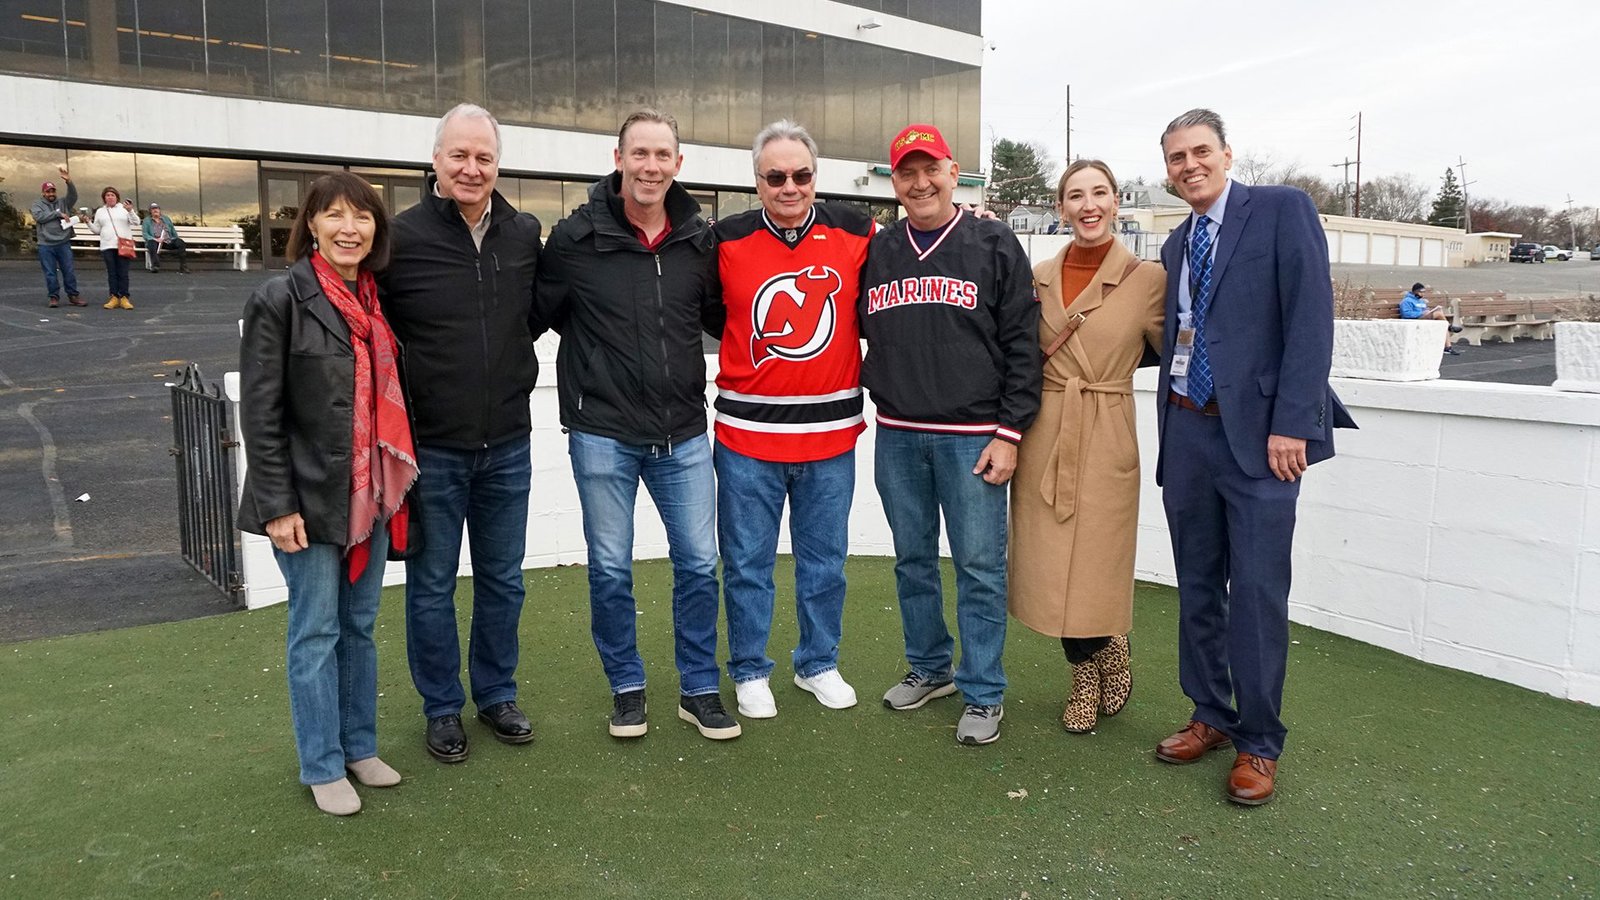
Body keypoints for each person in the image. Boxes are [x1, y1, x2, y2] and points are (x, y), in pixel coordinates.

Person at [1152, 109, 1354, 806]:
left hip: (1264, 441)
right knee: (1197, 585)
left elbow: (1310, 320)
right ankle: (1210, 713)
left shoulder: (1281, 210)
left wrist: (1293, 422)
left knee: (1259, 592)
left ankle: (1259, 742)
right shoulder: (1176, 243)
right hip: (1187, 432)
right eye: (1176, 157)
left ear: (1227, 153)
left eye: (1199, 151)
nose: (1190, 165)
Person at [533, 108, 737, 741]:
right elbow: (539, 315)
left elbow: (721, 317)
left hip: (684, 432)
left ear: (678, 163)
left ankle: (699, 688)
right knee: (611, 568)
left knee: (699, 564)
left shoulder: (698, 240)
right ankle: (627, 687)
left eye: (662, 155)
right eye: (639, 154)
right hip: (602, 433)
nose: (651, 166)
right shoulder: (574, 239)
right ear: (618, 159)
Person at [237, 172, 417, 816]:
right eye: (334, 215)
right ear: (310, 224)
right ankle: (321, 763)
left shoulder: (375, 302)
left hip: (367, 498)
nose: (349, 228)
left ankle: (359, 747)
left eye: (362, 217)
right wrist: (277, 504)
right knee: (316, 631)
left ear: (376, 230)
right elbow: (261, 413)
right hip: (307, 500)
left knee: (358, 627)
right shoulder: (280, 298)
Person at [860, 123, 1041, 746]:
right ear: (893, 182)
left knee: (979, 568)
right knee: (913, 561)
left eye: (930, 168)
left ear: (953, 171)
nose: (920, 182)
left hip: (974, 436)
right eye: (906, 172)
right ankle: (930, 667)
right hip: (898, 433)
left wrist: (1010, 432)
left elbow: (1023, 343)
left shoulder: (992, 240)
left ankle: (983, 691)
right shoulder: (878, 249)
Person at [377, 103, 543, 764]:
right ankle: (441, 707)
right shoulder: (400, 238)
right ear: (436, 161)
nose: (471, 169)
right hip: (433, 449)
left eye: (483, 157)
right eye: (459, 156)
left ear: (497, 164)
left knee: (503, 580)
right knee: (432, 586)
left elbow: (529, 319)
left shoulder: (523, 233)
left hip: (508, 443)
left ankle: (496, 694)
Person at [709, 120, 874, 719]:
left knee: (825, 563)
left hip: (830, 439)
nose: (789, 187)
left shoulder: (856, 230)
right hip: (746, 439)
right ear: (757, 181)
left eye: (801, 175)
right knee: (747, 564)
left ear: (815, 176)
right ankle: (751, 669)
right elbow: (709, 312)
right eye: (775, 176)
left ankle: (818, 662)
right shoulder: (724, 238)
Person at [1008, 159, 1165, 735]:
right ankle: (1084, 669)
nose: (1088, 205)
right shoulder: (1039, 276)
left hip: (1107, 425)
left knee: (1097, 561)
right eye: (1076, 195)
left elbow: (1176, 352)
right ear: (1061, 208)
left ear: (1117, 202)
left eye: (1100, 193)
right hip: (1046, 428)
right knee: (1049, 565)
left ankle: (1110, 649)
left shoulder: (1148, 279)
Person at [31, 166, 84, 308]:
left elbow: (73, 196)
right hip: (45, 245)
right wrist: (58, 214)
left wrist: (69, 182)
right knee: (50, 273)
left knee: (69, 271)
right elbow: (39, 217)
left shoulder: (63, 202)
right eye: (48, 191)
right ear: (43, 193)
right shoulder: (37, 204)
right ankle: (53, 297)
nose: (51, 193)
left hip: (63, 243)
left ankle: (73, 296)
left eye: (53, 191)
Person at [88, 186, 137, 310]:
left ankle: (124, 297)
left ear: (117, 197)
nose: (110, 197)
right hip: (107, 245)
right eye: (107, 195)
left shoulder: (124, 209)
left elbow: (136, 222)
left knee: (123, 272)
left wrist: (130, 211)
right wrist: (88, 222)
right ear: (104, 198)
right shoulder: (100, 211)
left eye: (112, 195)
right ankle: (114, 296)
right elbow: (97, 230)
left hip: (123, 245)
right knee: (112, 273)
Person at [1399, 282, 1464, 354]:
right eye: (1421, 292)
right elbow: (1406, 314)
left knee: (1442, 322)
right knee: (1438, 314)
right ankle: (1449, 326)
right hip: (1414, 319)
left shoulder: (1421, 301)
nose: (1423, 294)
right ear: (1415, 291)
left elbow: (1424, 309)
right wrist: (1421, 313)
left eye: (1424, 292)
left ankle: (1448, 347)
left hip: (1423, 318)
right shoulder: (1406, 301)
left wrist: (1428, 311)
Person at [142, 203, 191, 274]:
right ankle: (155, 266)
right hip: (155, 241)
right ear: (150, 211)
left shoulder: (166, 219)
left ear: (159, 210)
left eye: (157, 208)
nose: (155, 210)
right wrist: (155, 239)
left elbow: (173, 231)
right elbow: (145, 234)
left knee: (180, 243)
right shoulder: (146, 221)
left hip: (167, 240)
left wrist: (175, 239)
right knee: (151, 244)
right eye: (153, 209)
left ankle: (183, 266)